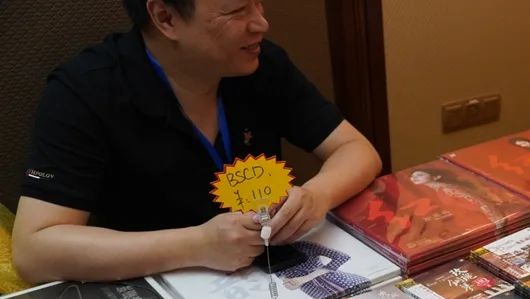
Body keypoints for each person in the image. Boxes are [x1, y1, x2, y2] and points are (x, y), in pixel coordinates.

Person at [13, 0, 382, 284]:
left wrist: (317, 196)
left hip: (270, 276)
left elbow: (356, 150)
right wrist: (198, 245)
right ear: (166, 17)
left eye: (258, 2)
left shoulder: (261, 64)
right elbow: (35, 251)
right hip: (159, 290)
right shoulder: (86, 90)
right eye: (237, 11)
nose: (261, 23)